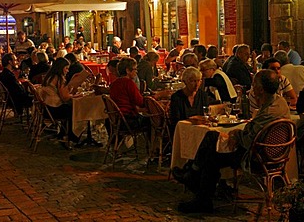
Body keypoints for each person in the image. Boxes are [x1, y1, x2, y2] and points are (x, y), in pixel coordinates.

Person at [173, 69, 290, 213]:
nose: (252, 87)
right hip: (275, 154)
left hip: (256, 157)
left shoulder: (267, 112)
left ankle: (197, 185)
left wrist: (236, 134)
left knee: (211, 154)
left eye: (254, 84)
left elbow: (248, 140)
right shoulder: (281, 103)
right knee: (212, 138)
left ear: (260, 89)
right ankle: (195, 178)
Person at [40, 57, 79, 143]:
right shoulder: (59, 78)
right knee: (73, 109)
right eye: (66, 68)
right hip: (54, 110)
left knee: (68, 106)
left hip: (46, 108)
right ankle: (72, 134)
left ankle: (63, 132)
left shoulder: (49, 77)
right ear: (61, 68)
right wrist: (76, 95)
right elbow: (64, 97)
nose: (67, 71)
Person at [109, 57, 148, 130]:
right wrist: (157, 96)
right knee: (152, 121)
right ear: (127, 70)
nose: (136, 72)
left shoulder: (114, 84)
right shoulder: (128, 83)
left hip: (116, 119)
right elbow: (140, 102)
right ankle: (151, 141)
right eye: (134, 69)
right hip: (128, 119)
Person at [0, 53, 33, 118]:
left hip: (9, 99)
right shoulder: (9, 76)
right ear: (10, 62)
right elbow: (18, 90)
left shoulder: (2, 74)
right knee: (38, 99)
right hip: (15, 100)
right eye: (15, 60)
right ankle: (36, 120)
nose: (17, 62)